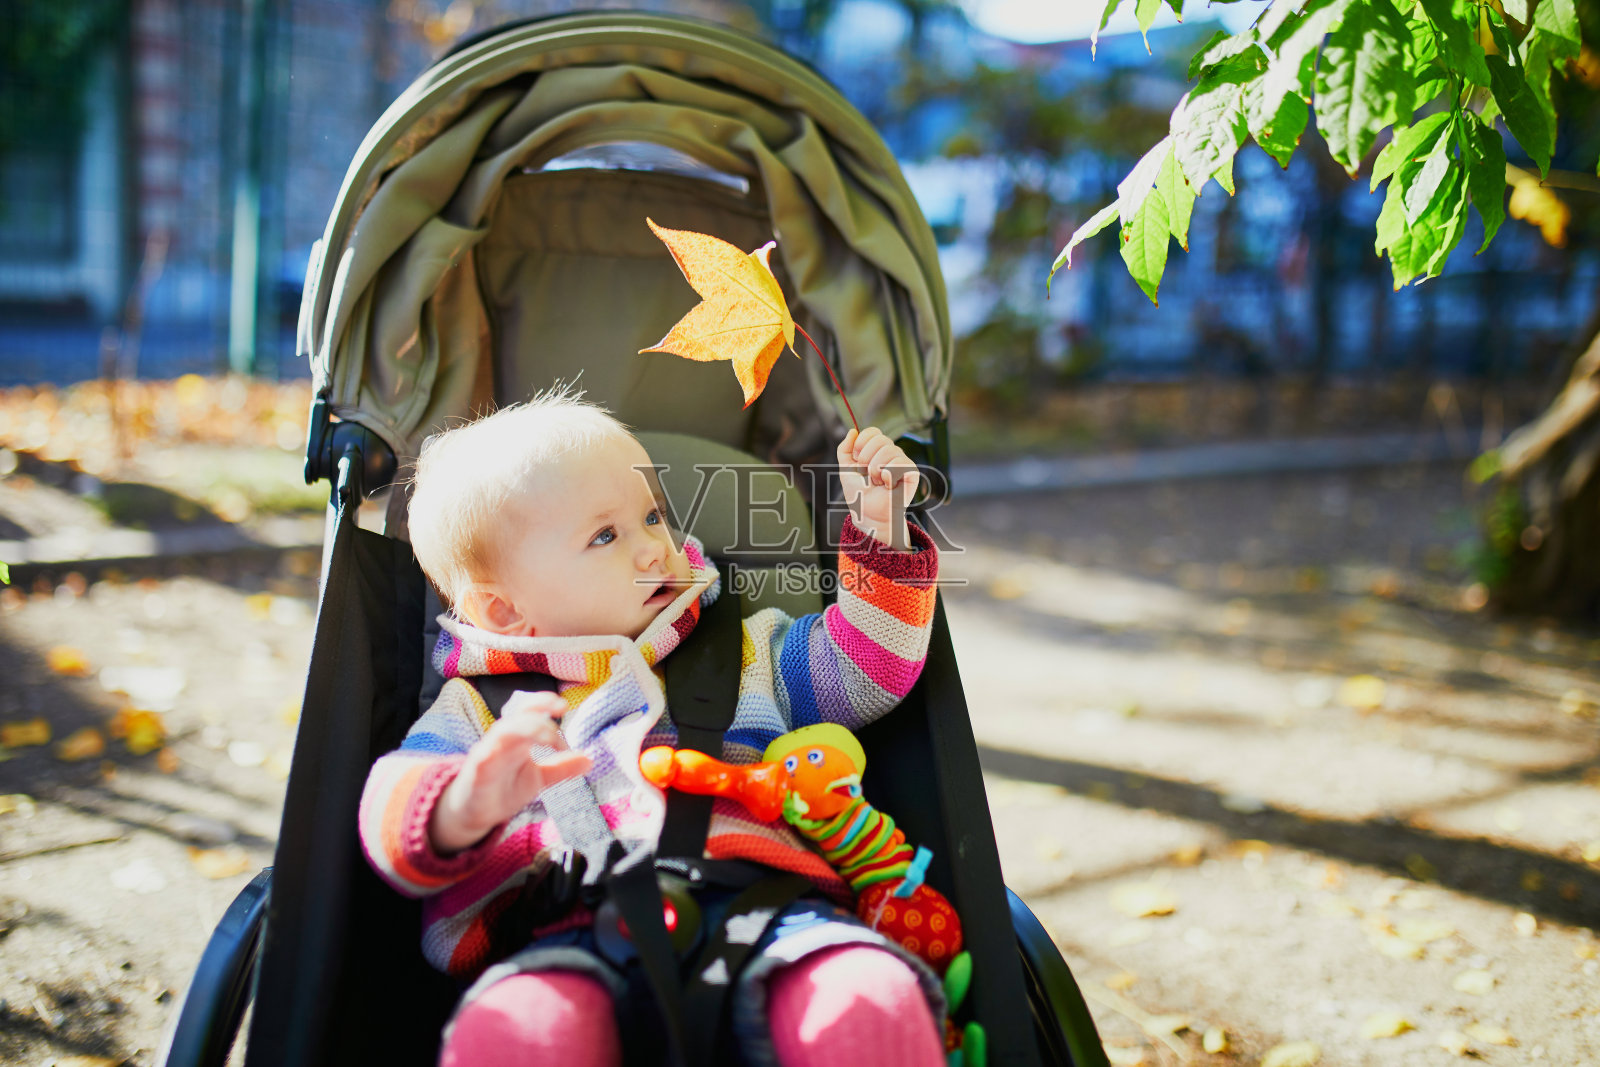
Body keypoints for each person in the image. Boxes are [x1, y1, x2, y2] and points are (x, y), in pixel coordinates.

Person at [358, 388, 945, 1067]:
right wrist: (460, 803)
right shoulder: (483, 714)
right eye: (605, 535)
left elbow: (869, 667)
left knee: (869, 998)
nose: (652, 549)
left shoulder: (746, 650)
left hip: (770, 910)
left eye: (652, 515)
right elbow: (388, 806)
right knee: (514, 1031)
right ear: (504, 610)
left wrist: (881, 529)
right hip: (566, 931)